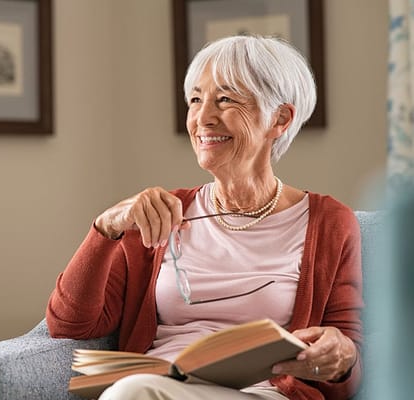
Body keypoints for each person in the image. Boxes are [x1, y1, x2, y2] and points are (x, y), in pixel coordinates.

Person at [46, 35, 362, 400]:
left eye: (225, 100)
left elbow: (348, 366)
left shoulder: (329, 223)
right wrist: (105, 229)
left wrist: (344, 356)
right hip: (160, 384)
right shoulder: (158, 214)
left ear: (280, 118)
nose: (202, 118)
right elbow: (70, 324)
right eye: (196, 100)